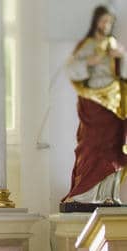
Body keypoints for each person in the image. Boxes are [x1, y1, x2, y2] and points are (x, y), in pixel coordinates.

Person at [63, 5, 127, 207]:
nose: (106, 25)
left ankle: (108, 194)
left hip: (114, 102)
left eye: (109, 21)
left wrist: (121, 58)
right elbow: (72, 68)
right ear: (96, 22)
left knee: (114, 145)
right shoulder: (88, 44)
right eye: (103, 21)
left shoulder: (114, 44)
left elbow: (122, 74)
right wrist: (91, 61)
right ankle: (85, 194)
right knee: (92, 144)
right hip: (93, 101)